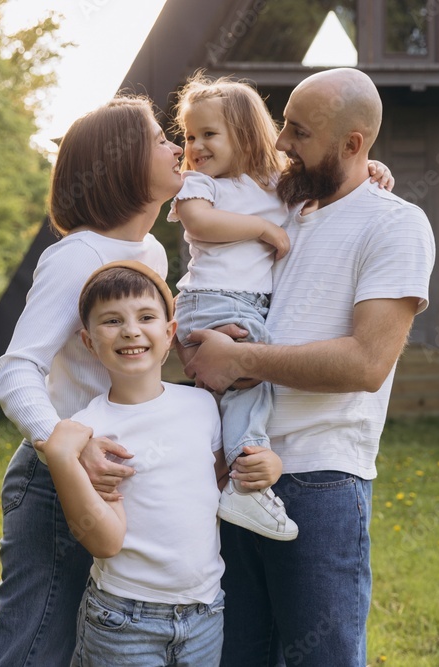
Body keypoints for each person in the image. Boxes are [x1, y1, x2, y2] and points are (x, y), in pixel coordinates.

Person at [184, 68, 437, 667]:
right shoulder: (279, 205)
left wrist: (238, 358)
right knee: (236, 655)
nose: (281, 143)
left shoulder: (394, 224)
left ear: (353, 144)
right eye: (285, 125)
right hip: (232, 471)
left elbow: (368, 362)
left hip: (318, 479)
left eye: (300, 131)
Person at [0, 96, 187, 666]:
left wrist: (366, 172)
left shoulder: (148, 251)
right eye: (157, 138)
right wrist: (66, 447)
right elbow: (16, 368)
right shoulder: (79, 256)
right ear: (117, 161)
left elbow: (254, 181)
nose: (177, 147)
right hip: (54, 482)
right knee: (34, 644)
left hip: (115, 480)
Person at [39, 261, 283, 666]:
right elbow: (105, 541)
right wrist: (63, 457)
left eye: (147, 317)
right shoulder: (90, 433)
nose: (131, 330)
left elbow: (223, 482)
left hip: (205, 613)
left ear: (170, 333)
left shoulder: (203, 405)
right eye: (112, 320)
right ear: (88, 341)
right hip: (124, 620)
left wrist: (266, 466)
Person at [168, 73, 296, 541]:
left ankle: (221, 477)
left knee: (238, 388)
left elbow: (330, 177)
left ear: (244, 134)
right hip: (211, 299)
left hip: (242, 302)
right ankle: (248, 478)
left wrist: (374, 169)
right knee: (251, 378)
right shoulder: (198, 185)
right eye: (189, 136)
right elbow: (200, 224)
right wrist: (262, 231)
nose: (195, 145)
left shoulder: (275, 180)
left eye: (208, 134)